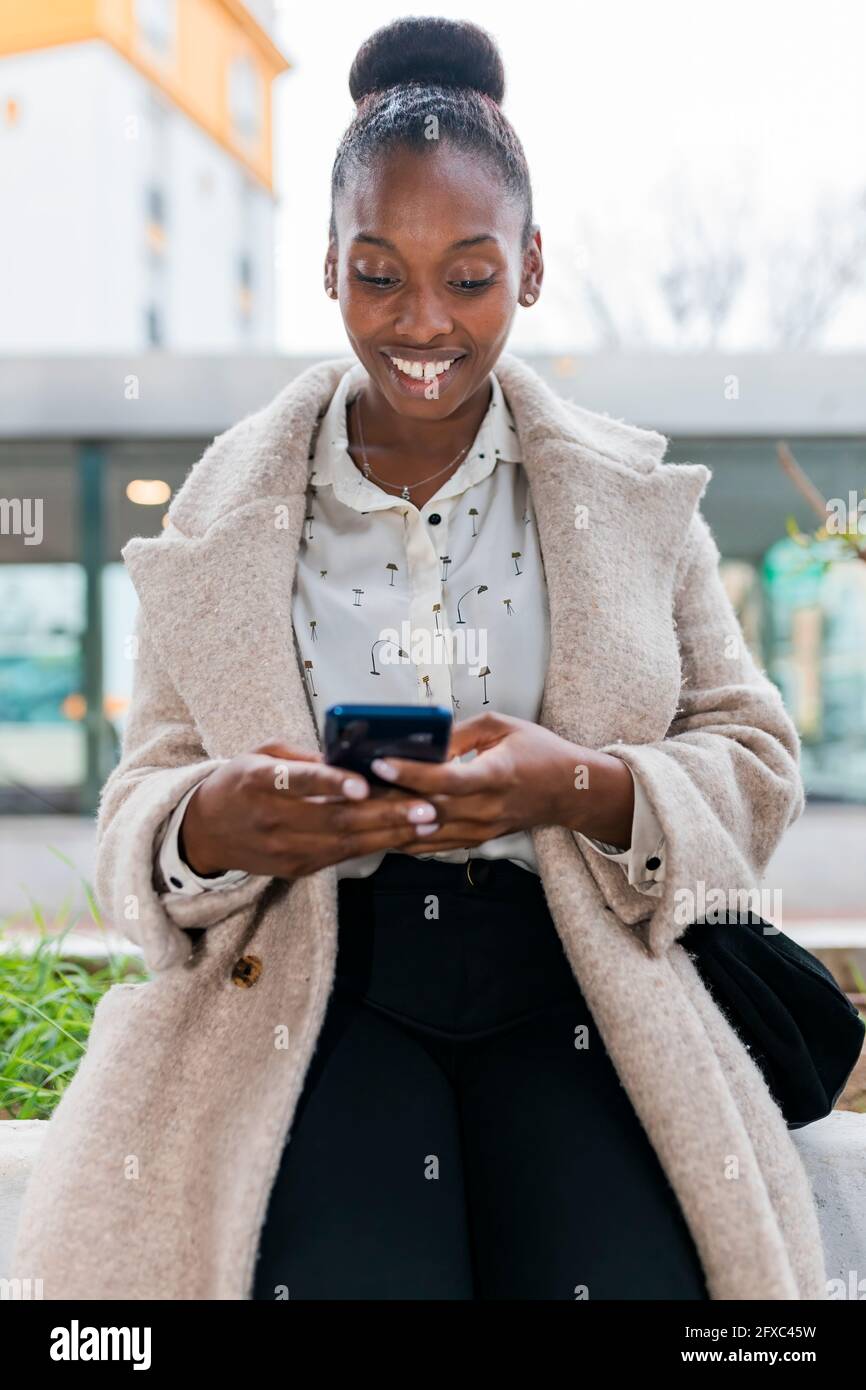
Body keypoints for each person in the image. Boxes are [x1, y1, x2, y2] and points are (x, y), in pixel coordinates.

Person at [10, 16, 828, 1301]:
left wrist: (580, 786)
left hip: (576, 977)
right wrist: (215, 826)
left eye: (470, 273)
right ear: (326, 264)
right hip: (319, 974)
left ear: (533, 267)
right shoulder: (219, 519)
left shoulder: (630, 501)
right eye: (379, 274)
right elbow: (143, 804)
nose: (424, 324)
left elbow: (754, 760)